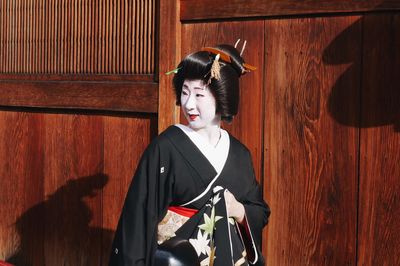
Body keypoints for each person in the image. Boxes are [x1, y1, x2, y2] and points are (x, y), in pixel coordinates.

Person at [109, 43, 270, 266]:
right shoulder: (166, 147)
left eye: (199, 94)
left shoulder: (240, 155)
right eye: (185, 92)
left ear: (222, 97)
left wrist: (238, 210)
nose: (189, 104)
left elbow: (259, 211)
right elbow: (138, 222)